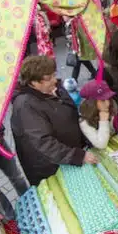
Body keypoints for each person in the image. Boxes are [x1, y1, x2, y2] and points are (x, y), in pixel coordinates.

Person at [11, 56, 98, 185]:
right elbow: (44, 143)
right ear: (34, 83)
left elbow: (71, 110)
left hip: (68, 156)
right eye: (48, 78)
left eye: (54, 75)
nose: (54, 80)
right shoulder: (26, 105)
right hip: (51, 168)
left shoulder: (52, 88)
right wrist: (77, 156)